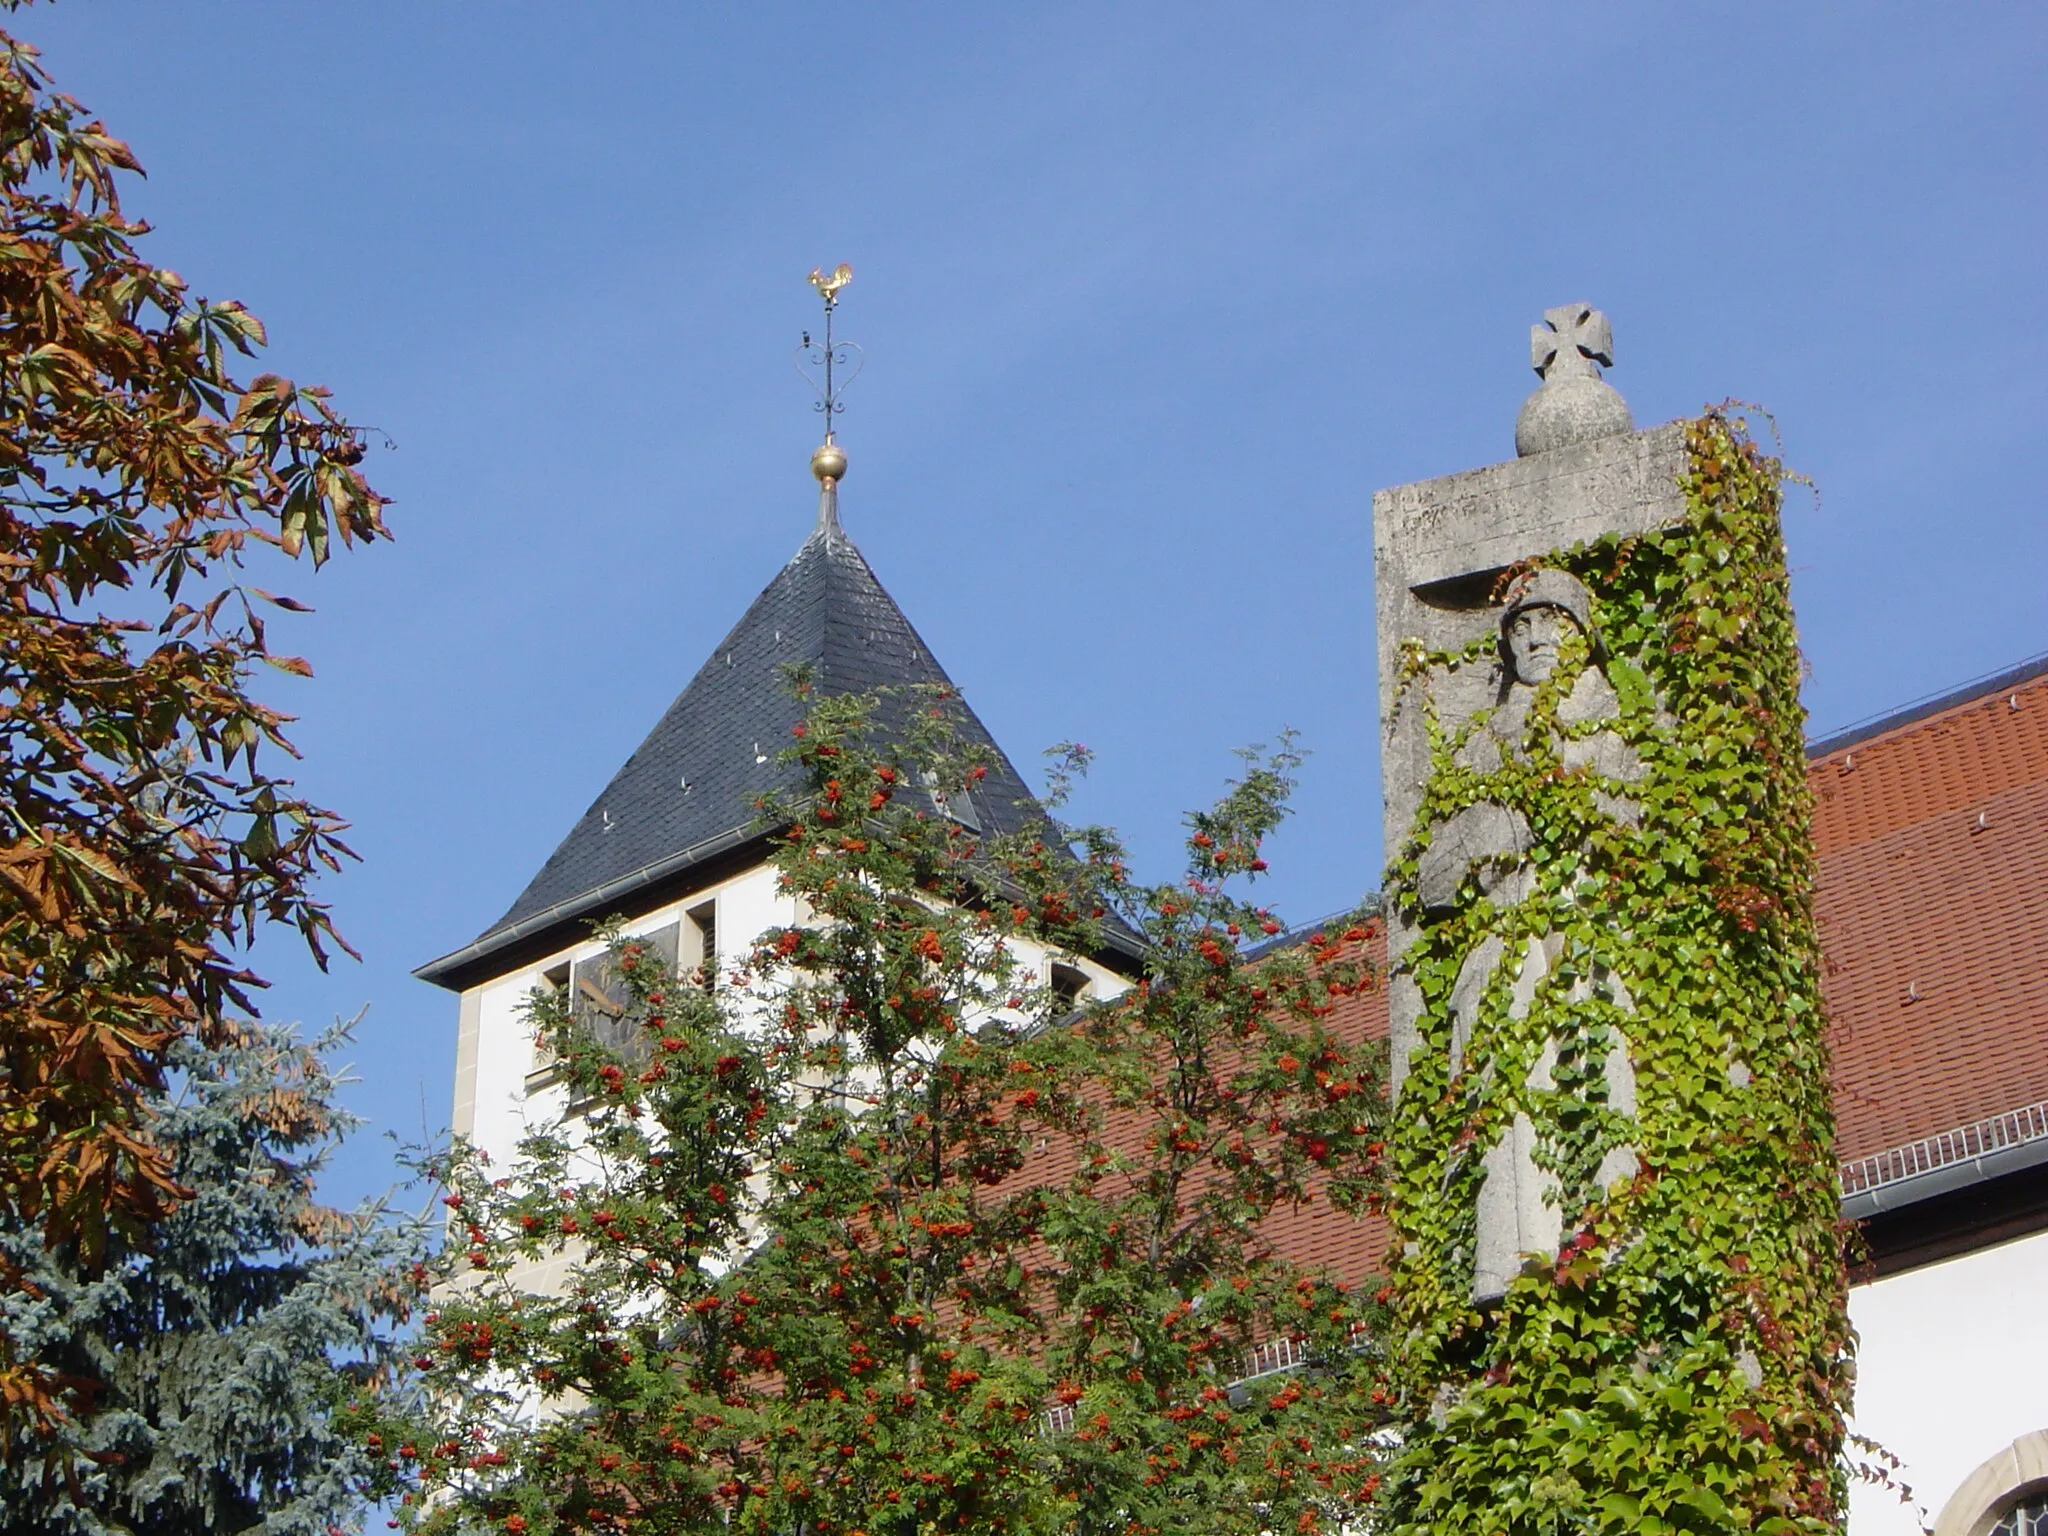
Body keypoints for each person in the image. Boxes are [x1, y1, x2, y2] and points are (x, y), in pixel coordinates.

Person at [1412, 568, 1642, 1302]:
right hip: (1505, 930)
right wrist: (1484, 833)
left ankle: (1615, 1242)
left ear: (1584, 638)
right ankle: (1513, 1253)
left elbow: (1637, 830)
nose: (1537, 638)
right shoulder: (1485, 747)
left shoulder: (1610, 729)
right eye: (1522, 626)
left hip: (1584, 924)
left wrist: (1569, 808)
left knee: (1600, 1062)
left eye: (1555, 624)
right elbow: (1433, 882)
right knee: (1504, 1078)